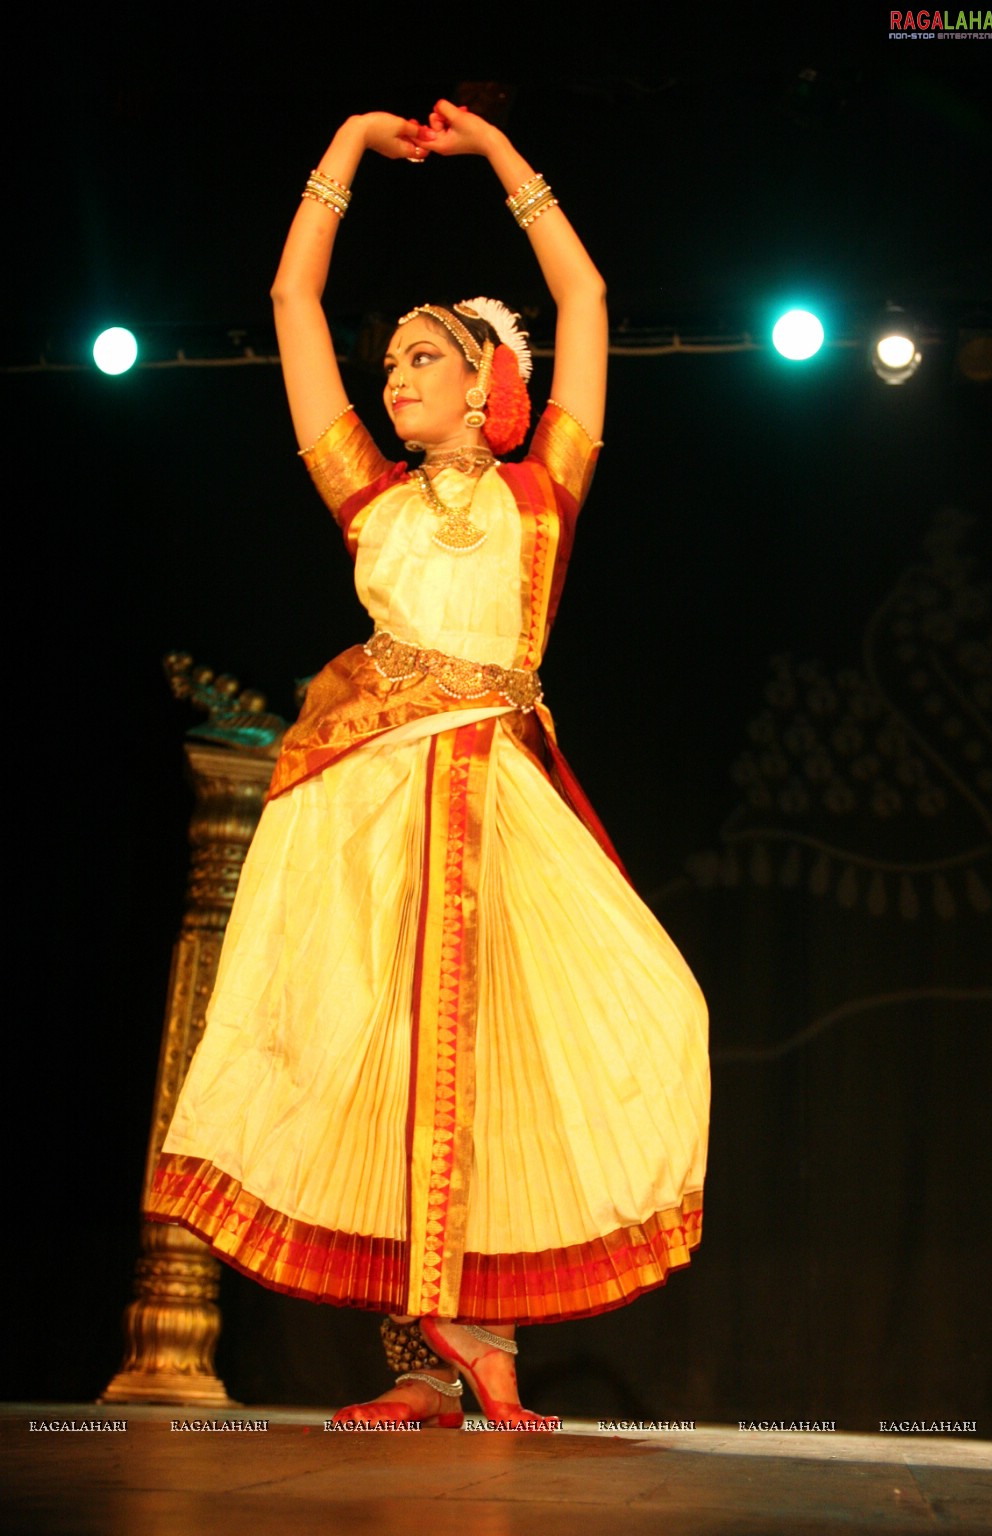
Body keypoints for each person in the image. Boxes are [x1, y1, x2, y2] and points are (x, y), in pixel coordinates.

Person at [146, 101, 710, 1429]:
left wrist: (506, 161)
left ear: (483, 384)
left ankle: (489, 1351)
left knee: (532, 1052)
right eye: (388, 362)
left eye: (420, 359)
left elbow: (584, 289)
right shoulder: (370, 497)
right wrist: (340, 150)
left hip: (503, 797)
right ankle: (424, 1368)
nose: (394, 380)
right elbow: (292, 296)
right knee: (392, 1058)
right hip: (379, 806)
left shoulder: (544, 489)